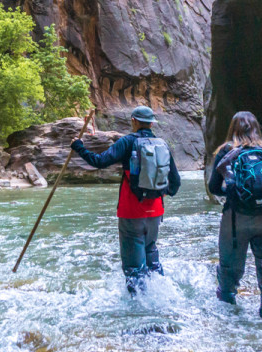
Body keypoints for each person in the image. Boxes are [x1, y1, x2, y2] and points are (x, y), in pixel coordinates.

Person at [71, 105, 181, 294]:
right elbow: (176, 182)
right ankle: (162, 298)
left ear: (134, 121)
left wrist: (79, 148)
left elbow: (100, 161)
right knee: (151, 258)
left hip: (131, 212)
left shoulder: (127, 142)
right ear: (152, 123)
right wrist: (159, 194)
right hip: (155, 212)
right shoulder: (162, 144)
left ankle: (138, 312)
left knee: (133, 268)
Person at [207, 111, 262, 319]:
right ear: (256, 128)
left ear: (232, 128)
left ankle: (227, 308)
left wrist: (235, 194)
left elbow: (214, 187)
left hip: (236, 220)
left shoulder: (225, 151)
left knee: (230, 267)